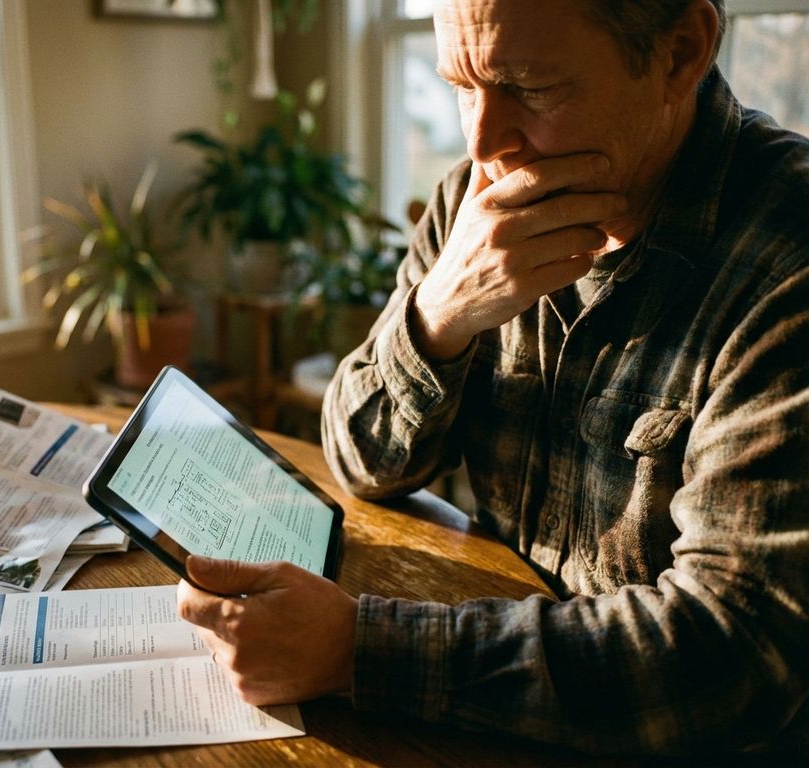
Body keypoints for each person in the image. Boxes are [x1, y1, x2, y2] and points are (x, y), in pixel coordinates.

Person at [177, 0, 809, 756]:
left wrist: (357, 650)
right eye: (460, 84)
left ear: (679, 53)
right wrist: (437, 316)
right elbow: (359, 462)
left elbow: (737, 653)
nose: (482, 142)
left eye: (530, 87)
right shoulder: (469, 205)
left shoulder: (788, 264)